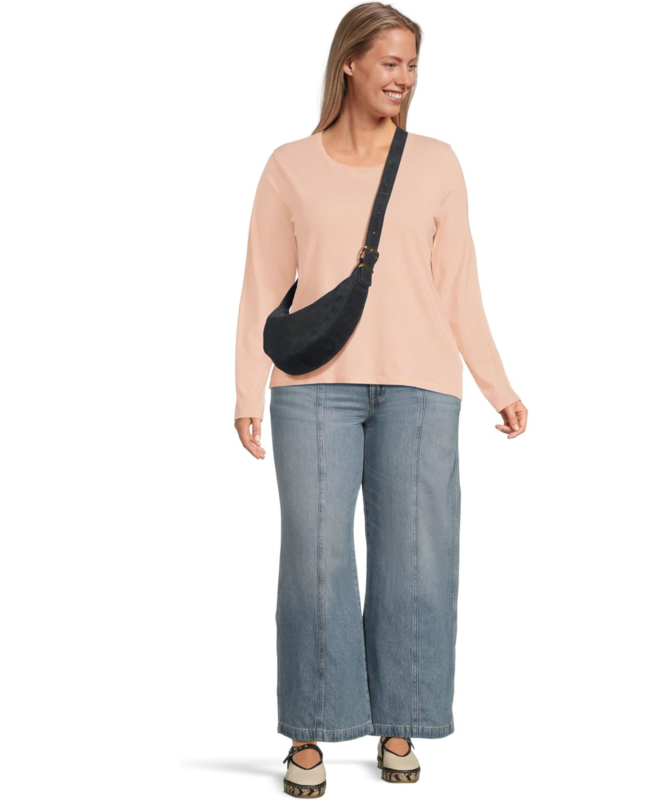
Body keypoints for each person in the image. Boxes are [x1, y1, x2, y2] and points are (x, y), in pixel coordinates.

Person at [233, 3, 528, 795]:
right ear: (350, 64)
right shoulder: (289, 165)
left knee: (417, 559)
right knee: (315, 560)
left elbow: (459, 285)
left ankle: (401, 717)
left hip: (422, 385)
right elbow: (263, 285)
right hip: (312, 391)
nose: (404, 78)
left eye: (413, 65)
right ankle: (312, 727)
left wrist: (497, 383)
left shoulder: (436, 162)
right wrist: (246, 390)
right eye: (391, 62)